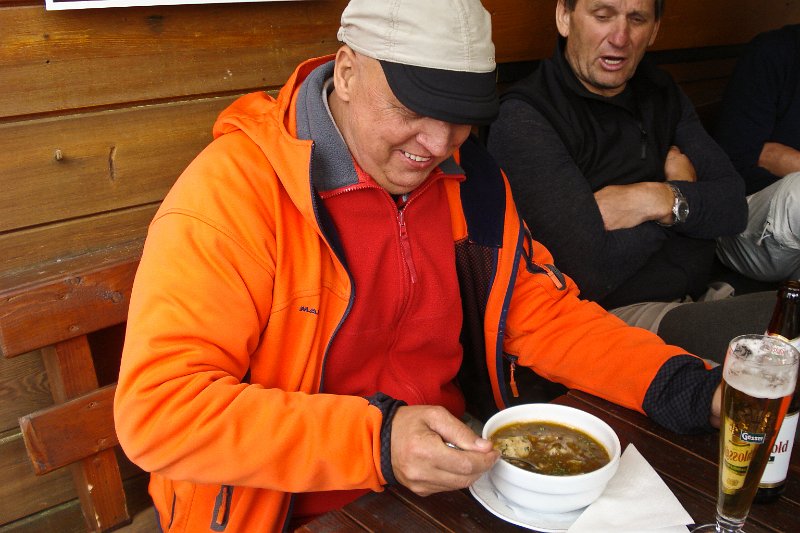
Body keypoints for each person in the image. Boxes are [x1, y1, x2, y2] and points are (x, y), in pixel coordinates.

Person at [114, 1, 723, 531]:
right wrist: (377, 440)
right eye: (412, 106)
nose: (435, 145)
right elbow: (158, 411)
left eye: (460, 116)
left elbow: (541, 315)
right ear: (347, 72)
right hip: (285, 510)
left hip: (442, 485)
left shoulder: (473, 181)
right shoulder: (234, 195)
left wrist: (691, 387)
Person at [486, 0, 775, 363]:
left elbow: (732, 207)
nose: (619, 37)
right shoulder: (526, 116)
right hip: (613, 320)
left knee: (784, 332)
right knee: (775, 348)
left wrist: (657, 199)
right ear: (564, 17)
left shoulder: (659, 90)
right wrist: (688, 205)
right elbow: (588, 271)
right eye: (602, 16)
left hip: (702, 290)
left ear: (654, 30)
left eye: (636, 19)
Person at [713, 24, 800, 283]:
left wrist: (781, 157)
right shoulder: (775, 51)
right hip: (747, 222)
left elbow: (764, 152)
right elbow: (736, 156)